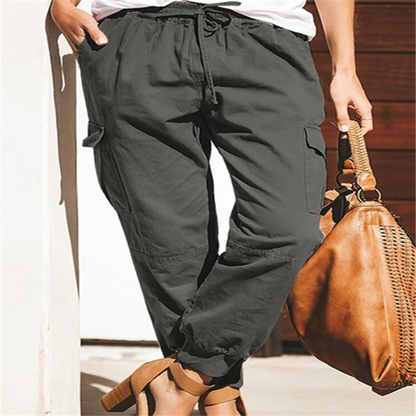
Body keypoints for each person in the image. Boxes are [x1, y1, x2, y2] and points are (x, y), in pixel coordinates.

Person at [51, 0, 373, 414]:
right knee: (168, 241)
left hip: (265, 40)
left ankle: (183, 379)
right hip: (135, 38)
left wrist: (345, 67)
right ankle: (219, 397)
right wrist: (61, 4)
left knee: (286, 229)